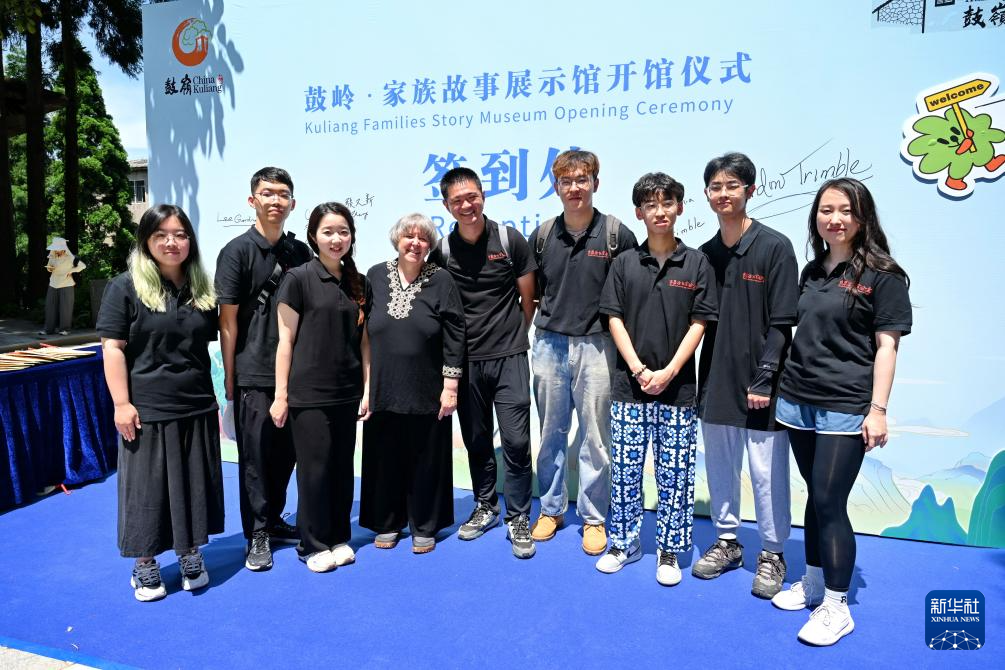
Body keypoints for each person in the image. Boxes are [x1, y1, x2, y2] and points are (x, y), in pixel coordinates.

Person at [771, 178, 911, 646]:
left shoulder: (883, 275)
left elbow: (887, 348)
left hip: (845, 405)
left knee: (831, 501)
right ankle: (813, 581)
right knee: (815, 495)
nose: (836, 219)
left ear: (862, 217)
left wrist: (878, 410)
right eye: (827, 210)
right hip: (797, 400)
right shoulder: (812, 271)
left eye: (846, 210)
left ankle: (836, 606)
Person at [97, 204, 223, 602]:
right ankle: (145, 562)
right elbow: (112, 348)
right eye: (161, 235)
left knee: (193, 485)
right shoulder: (125, 287)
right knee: (146, 491)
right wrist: (121, 403)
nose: (172, 242)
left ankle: (189, 552)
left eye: (180, 235)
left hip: (196, 403)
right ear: (146, 241)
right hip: (146, 408)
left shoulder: (201, 288)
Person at [596, 173, 717, 585]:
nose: (659, 212)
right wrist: (638, 368)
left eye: (667, 203)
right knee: (625, 471)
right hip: (629, 388)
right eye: (651, 205)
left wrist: (669, 372)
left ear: (679, 208)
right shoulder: (624, 263)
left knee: (675, 474)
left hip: (678, 390)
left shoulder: (697, 262)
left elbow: (700, 323)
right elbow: (613, 318)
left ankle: (668, 550)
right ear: (639, 213)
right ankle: (623, 543)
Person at [694, 152, 799, 599]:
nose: (723, 194)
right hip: (715, 380)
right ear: (707, 194)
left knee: (766, 473)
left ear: (750, 190)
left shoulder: (775, 247)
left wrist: (765, 377)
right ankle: (727, 542)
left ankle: (773, 552)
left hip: (762, 384)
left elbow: (783, 322)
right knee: (720, 467)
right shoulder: (704, 255)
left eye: (732, 185)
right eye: (716, 187)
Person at [528, 149, 637, 556]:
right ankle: (551, 509)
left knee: (596, 437)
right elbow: (534, 292)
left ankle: (593, 517)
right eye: (566, 181)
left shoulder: (616, 235)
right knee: (550, 433)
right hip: (549, 343)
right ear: (556, 187)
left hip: (597, 344)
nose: (574, 188)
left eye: (582, 179)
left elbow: (630, 293)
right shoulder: (542, 236)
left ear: (595, 183)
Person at [427, 167, 537, 559]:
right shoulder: (442, 251)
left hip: (509, 357)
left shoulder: (509, 239)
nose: (467, 205)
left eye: (472, 196)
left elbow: (528, 299)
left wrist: (513, 337)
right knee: (476, 439)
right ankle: (485, 505)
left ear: (483, 196)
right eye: (457, 200)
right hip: (466, 361)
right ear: (447, 206)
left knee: (516, 441)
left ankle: (518, 516)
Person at [215, 167, 312, 571]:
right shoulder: (236, 251)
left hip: (295, 374)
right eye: (267, 193)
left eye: (283, 194)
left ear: (293, 202)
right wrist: (231, 380)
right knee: (254, 457)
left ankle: (273, 518)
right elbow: (227, 322)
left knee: (287, 453)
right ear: (252, 200)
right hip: (253, 371)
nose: (276, 200)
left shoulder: (300, 252)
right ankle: (256, 533)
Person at [270, 203, 369, 573]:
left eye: (343, 231)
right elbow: (285, 342)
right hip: (308, 393)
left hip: (347, 392)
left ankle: (338, 536)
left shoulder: (359, 282)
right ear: (313, 236)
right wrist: (281, 395)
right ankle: (311, 544)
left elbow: (365, 342)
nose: (336, 239)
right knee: (314, 470)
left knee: (342, 468)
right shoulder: (298, 279)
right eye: (328, 232)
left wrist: (367, 388)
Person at [360, 213, 465, 554]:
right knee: (384, 458)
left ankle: (425, 524)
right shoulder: (375, 276)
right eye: (409, 236)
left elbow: (455, 332)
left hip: (427, 388)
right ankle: (387, 521)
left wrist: (451, 386)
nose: (416, 243)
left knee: (427, 459)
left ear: (430, 245)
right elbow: (364, 333)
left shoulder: (442, 280)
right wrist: (366, 388)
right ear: (397, 240)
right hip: (383, 387)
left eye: (423, 238)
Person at [39, 237, 86, 337]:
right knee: (50, 307)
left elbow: (82, 266)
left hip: (66, 284)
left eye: (57, 248)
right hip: (53, 283)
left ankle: (65, 329)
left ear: (63, 248)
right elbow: (49, 266)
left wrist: (71, 271)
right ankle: (48, 329)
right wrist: (50, 269)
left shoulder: (70, 257)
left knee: (66, 308)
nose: (56, 250)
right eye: (55, 248)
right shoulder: (52, 255)